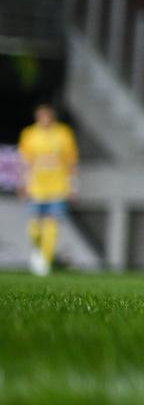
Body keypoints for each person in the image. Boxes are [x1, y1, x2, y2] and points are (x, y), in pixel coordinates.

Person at [17, 104, 77, 277]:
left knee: (52, 223)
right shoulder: (29, 134)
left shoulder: (63, 134)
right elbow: (24, 162)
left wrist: (73, 185)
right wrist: (22, 184)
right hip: (36, 186)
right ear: (37, 117)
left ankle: (44, 259)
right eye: (41, 116)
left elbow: (71, 161)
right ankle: (37, 250)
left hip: (58, 187)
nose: (44, 119)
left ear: (52, 117)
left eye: (47, 116)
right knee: (35, 225)